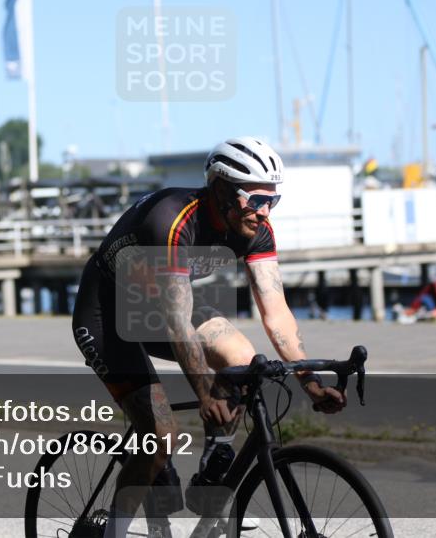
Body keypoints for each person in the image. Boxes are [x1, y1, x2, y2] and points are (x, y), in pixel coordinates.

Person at [72, 137, 346, 538]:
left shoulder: (256, 229)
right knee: (162, 433)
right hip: (106, 314)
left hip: (160, 303)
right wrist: (205, 392)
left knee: (242, 358)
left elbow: (277, 314)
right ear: (220, 188)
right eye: (255, 199)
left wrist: (311, 383)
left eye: (274, 200)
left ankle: (212, 475)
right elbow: (176, 321)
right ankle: (113, 529)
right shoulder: (172, 220)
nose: (265, 211)